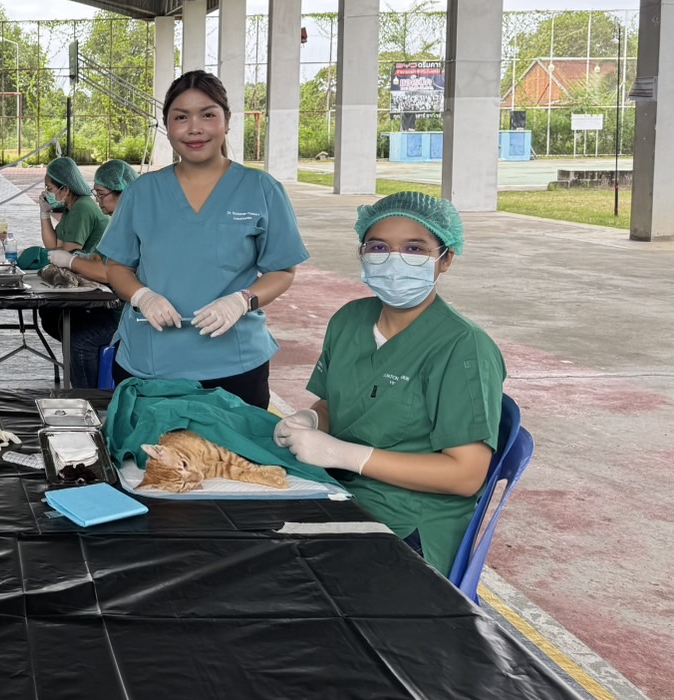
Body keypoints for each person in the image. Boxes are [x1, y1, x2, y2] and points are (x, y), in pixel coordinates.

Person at [275, 193, 505, 575]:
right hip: (340, 494)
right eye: (379, 247)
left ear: (445, 259)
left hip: (408, 525)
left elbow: (466, 475)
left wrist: (347, 456)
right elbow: (334, 403)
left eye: (414, 249)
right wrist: (312, 421)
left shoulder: (463, 347)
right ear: (362, 254)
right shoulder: (349, 320)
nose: (394, 261)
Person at [99, 71, 308, 408]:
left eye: (208, 115)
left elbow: (282, 270)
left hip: (236, 364)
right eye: (181, 117)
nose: (194, 128)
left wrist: (241, 300)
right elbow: (117, 266)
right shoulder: (143, 192)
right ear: (168, 126)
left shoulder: (261, 189)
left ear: (227, 121)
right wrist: (143, 296)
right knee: (147, 443)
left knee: (235, 444)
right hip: (151, 363)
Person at [41, 159, 136, 388]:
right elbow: (102, 260)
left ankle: (90, 400)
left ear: (123, 193)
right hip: (122, 305)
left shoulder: (131, 225)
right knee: (61, 321)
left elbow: (109, 273)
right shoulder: (118, 222)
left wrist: (72, 261)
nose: (98, 200)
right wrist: (85, 259)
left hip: (132, 314)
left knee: (81, 338)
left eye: (102, 194)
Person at [36, 155, 108, 254]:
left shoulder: (81, 208)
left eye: (49, 189)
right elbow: (52, 245)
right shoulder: (69, 207)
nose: (46, 193)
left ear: (65, 189)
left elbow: (68, 254)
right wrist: (44, 213)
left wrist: (39, 253)